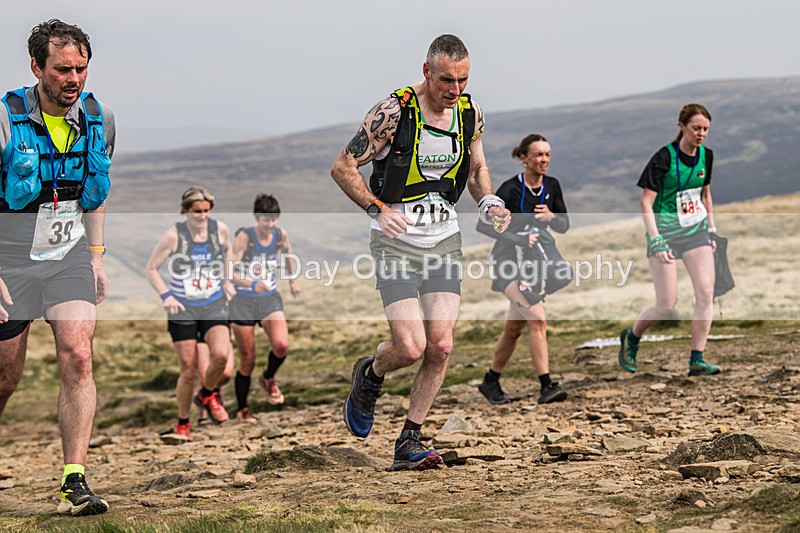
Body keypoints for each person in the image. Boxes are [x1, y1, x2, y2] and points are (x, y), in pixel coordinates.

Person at [330, 34, 510, 471]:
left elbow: (477, 164)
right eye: (447, 79)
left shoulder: (470, 112)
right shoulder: (393, 113)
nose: (455, 90)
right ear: (427, 71)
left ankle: (410, 439)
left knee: (441, 346)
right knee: (410, 348)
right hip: (396, 241)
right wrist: (376, 208)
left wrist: (487, 199)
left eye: (463, 80)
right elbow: (342, 167)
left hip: (443, 238)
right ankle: (370, 374)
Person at [0, 19, 113, 516]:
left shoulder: (101, 119)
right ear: (36, 67)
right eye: (63, 69)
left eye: (81, 69)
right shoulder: (5, 120)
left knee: (78, 354)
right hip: (9, 258)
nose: (74, 79)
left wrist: (96, 255)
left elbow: (97, 190)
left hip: (66, 255)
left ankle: (74, 477)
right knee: (5, 376)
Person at [619, 103, 720, 377]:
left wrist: (711, 229)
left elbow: (705, 194)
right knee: (666, 304)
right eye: (696, 128)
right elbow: (645, 202)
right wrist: (656, 240)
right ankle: (632, 337)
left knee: (706, 293)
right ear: (682, 126)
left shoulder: (706, 156)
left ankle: (697, 359)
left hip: (696, 232)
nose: (701, 134)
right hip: (664, 234)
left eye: (706, 129)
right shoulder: (664, 157)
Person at [476, 134, 570, 406]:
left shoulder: (552, 186)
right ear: (524, 158)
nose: (544, 160)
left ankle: (490, 382)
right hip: (508, 265)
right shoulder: (510, 190)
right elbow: (483, 226)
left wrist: (552, 218)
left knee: (514, 328)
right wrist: (518, 238)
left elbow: (564, 225)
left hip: (534, 268)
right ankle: (547, 385)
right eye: (539, 154)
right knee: (538, 319)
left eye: (548, 154)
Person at [145, 187, 237, 441]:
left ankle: (206, 393)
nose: (202, 216)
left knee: (221, 356)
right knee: (187, 370)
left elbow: (228, 252)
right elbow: (152, 269)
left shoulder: (220, 230)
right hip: (183, 307)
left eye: (206, 211)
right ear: (186, 210)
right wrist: (167, 295)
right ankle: (183, 422)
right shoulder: (173, 236)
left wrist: (227, 281)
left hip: (213, 302)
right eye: (197, 211)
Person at [229, 193, 300, 422]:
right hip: (243, 301)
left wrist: (292, 280)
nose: (270, 225)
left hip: (269, 298)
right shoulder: (244, 237)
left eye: (273, 219)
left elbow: (289, 254)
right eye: (265, 220)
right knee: (247, 360)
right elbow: (229, 271)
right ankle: (242, 410)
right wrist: (250, 283)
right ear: (257, 218)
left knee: (281, 345)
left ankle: (268, 377)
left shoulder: (280, 235)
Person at [195, 335, 234, 425]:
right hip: (198, 332)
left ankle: (207, 396)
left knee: (225, 374)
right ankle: (203, 416)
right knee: (204, 376)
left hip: (221, 327)